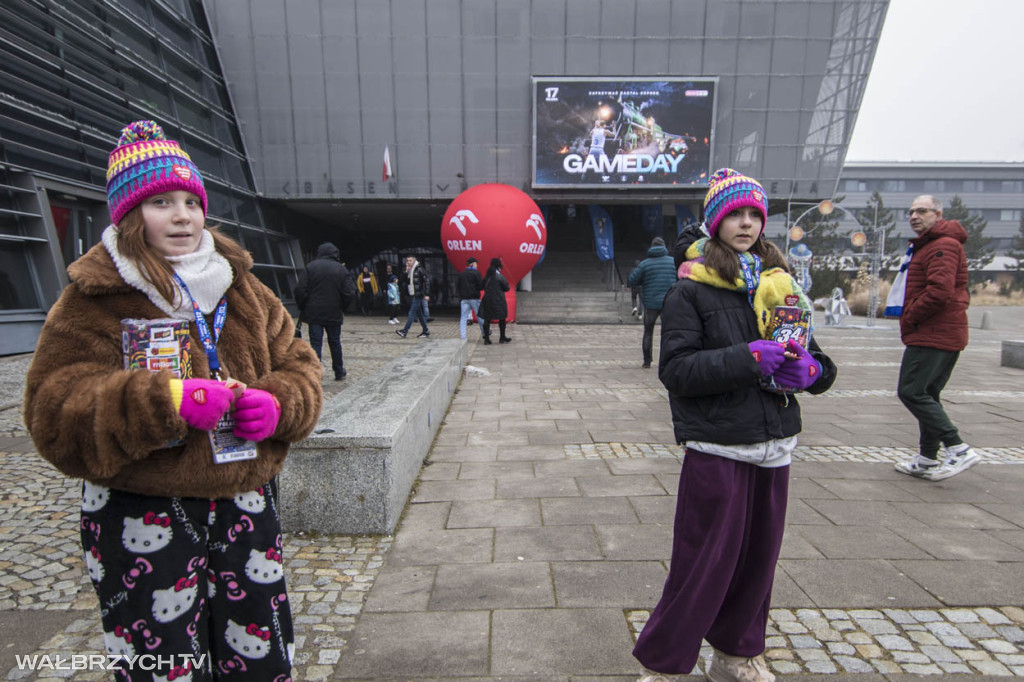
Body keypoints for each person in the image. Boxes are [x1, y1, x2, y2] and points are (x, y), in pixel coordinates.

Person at [22, 120, 323, 680]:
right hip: (141, 510)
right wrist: (165, 401)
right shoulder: (92, 299)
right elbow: (52, 412)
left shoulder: (243, 288)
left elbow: (300, 365)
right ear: (130, 214)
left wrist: (279, 404)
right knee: (162, 667)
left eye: (190, 200)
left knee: (259, 655)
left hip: (244, 503)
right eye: (161, 201)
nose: (182, 215)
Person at [633, 168, 836, 682]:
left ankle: (736, 656)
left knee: (757, 564)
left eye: (754, 215)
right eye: (735, 214)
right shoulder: (690, 290)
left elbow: (811, 355)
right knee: (702, 565)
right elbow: (676, 370)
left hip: (776, 445)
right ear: (715, 221)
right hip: (718, 445)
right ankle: (663, 665)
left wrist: (813, 371)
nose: (745, 223)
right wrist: (748, 357)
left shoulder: (781, 282)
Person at [892, 195, 979, 481]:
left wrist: (910, 315)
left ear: (938, 214)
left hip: (933, 333)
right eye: (911, 212)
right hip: (938, 332)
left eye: (922, 211)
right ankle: (928, 458)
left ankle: (958, 448)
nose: (914, 216)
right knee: (927, 394)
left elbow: (940, 292)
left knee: (911, 391)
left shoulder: (943, 245)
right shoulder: (931, 245)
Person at [295, 242, 356, 380]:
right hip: (334, 311)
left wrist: (303, 305)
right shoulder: (341, 269)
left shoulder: (311, 267)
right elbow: (350, 292)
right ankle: (339, 371)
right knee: (335, 342)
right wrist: (342, 306)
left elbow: (300, 290)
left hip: (314, 312)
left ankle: (316, 373)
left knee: (315, 343)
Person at [628, 237, 677, 368]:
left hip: (650, 304)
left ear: (651, 247)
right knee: (668, 333)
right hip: (669, 303)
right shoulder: (673, 262)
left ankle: (647, 361)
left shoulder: (645, 264)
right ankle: (667, 360)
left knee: (648, 332)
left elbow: (632, 280)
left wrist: (643, 282)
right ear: (664, 247)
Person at [479, 257, 511, 345]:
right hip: (499, 301)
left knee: (487, 319)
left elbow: (481, 286)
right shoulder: (500, 276)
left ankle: (487, 339)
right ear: (498, 267)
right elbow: (507, 288)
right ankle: (502, 337)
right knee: (502, 318)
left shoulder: (486, 276)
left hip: (487, 300)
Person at [396, 254, 430, 338]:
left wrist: (427, 294)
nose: (408, 262)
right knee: (420, 314)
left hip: (418, 295)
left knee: (411, 313)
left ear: (414, 260)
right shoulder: (410, 270)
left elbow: (427, 281)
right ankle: (426, 331)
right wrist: (406, 272)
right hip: (412, 294)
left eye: (410, 260)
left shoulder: (419, 269)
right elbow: (402, 281)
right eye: (407, 261)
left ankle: (405, 331)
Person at [456, 257, 485, 340]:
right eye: (476, 263)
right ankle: (484, 333)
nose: (477, 265)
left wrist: (460, 296)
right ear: (473, 264)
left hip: (464, 299)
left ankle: (463, 336)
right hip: (474, 298)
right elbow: (480, 286)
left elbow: (458, 286)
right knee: (480, 316)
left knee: (463, 317)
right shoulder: (476, 273)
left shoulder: (462, 274)